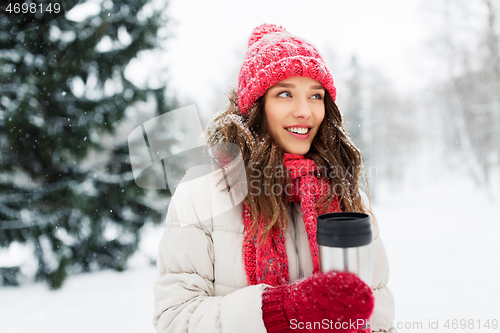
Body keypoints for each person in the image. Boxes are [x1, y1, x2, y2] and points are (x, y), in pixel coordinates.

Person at [153, 23, 396, 333]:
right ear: (257, 106)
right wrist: (279, 310)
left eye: (315, 96)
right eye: (285, 94)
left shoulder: (345, 197)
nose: (304, 111)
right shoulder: (199, 199)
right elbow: (176, 320)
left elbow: (380, 315)